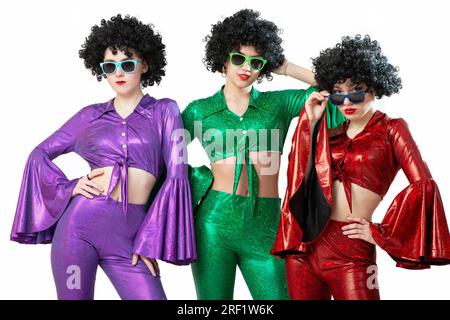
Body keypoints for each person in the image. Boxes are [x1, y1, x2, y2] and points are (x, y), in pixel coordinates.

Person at [10, 14, 196, 300]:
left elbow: (177, 176)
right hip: (77, 231)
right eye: (110, 66)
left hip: (130, 237)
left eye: (127, 64)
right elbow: (39, 154)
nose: (118, 73)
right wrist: (69, 187)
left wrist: (149, 240)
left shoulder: (166, 111)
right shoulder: (89, 116)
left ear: (145, 65)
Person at [182, 9, 345, 300]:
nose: (246, 67)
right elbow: (162, 156)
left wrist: (287, 68)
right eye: (238, 58)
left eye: (256, 62)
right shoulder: (198, 110)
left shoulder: (277, 104)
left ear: (264, 67)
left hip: (268, 224)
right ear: (222, 59)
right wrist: (196, 179)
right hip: (212, 225)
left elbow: (336, 92)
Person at [271, 34, 450, 300]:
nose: (346, 102)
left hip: (352, 246)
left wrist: (381, 232)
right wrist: (310, 122)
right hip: (306, 245)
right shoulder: (330, 133)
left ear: (375, 88)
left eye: (355, 91)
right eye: (337, 94)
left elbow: (422, 185)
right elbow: (299, 178)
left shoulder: (392, 129)